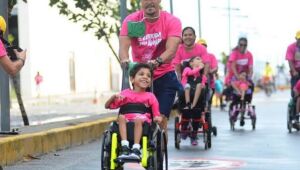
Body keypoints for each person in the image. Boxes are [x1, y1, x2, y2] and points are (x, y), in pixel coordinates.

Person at [119, 0, 182, 136]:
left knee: (160, 119)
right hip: (142, 76)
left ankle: (160, 151)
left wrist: (158, 61)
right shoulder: (134, 22)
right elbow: (124, 47)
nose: (149, 3)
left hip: (164, 75)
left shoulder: (170, 21)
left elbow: (171, 50)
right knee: (138, 116)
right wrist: (125, 61)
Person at [105, 63, 162, 160]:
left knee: (138, 119)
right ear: (132, 79)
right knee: (121, 117)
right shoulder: (125, 93)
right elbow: (108, 106)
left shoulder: (150, 96)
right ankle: (124, 146)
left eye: (148, 76)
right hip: (126, 120)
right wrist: (113, 97)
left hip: (143, 122)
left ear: (150, 81)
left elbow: (156, 114)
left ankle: (136, 148)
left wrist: (157, 118)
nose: (145, 77)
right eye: (141, 74)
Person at [197, 38, 218, 110]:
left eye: (204, 46)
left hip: (209, 84)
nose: (203, 47)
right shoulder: (195, 57)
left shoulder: (211, 56)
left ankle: (206, 108)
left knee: (207, 107)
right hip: (196, 82)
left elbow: (215, 68)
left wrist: (209, 71)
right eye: (200, 46)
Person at [286, 30, 300, 96]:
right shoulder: (291, 47)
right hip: (296, 72)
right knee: (294, 93)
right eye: (299, 39)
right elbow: (290, 60)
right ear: (296, 38)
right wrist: (294, 71)